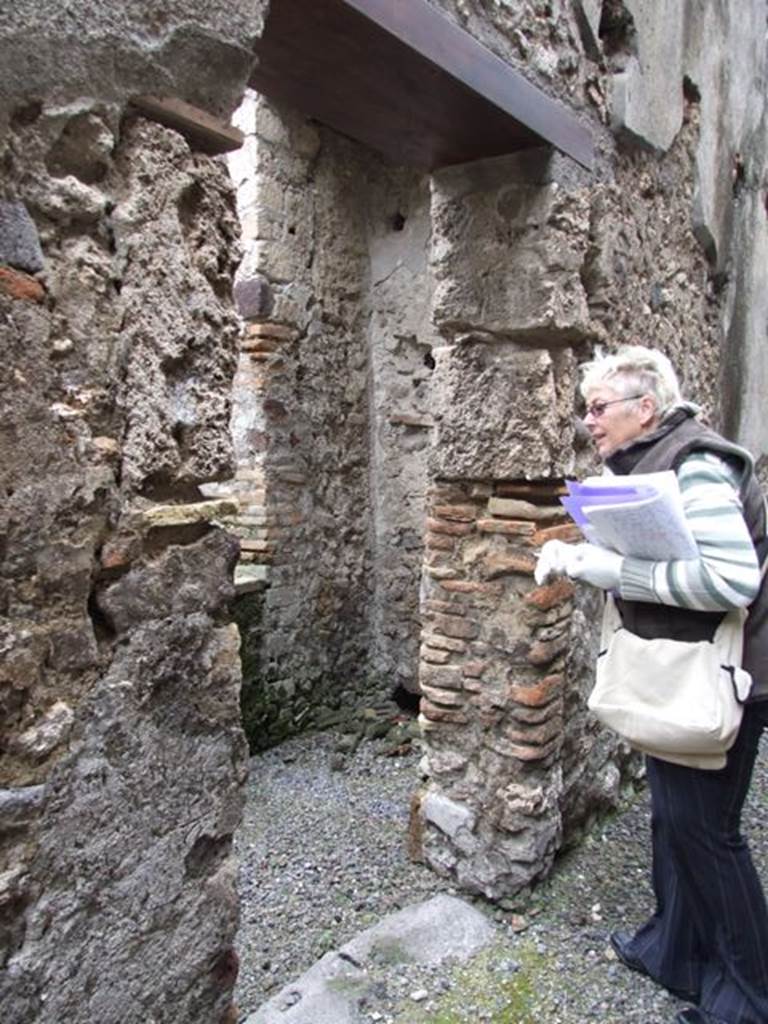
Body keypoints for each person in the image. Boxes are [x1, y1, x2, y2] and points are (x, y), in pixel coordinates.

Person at [535, 345, 768, 1024]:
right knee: (674, 820)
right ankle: (673, 952)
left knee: (707, 833)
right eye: (586, 410)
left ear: (646, 408)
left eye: (598, 408)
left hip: (726, 679)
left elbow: (731, 580)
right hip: (684, 673)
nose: (588, 422)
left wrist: (610, 571)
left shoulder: (696, 465)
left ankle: (749, 996)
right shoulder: (652, 461)